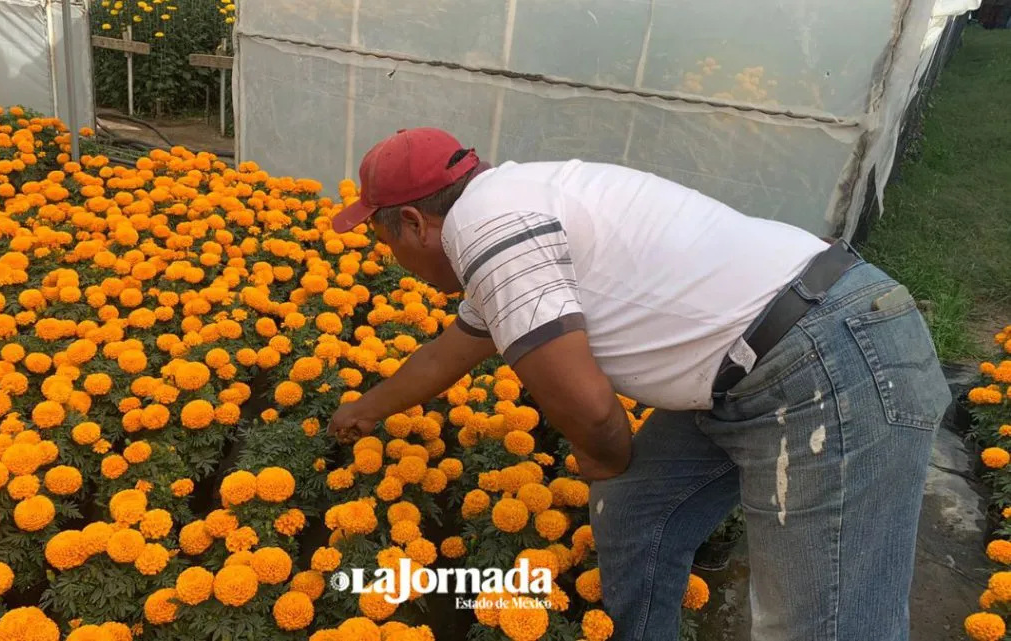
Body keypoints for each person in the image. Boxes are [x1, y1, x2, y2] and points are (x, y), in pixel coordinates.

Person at [326, 127, 952, 641]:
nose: (389, 257)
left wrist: (602, 456)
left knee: (820, 625)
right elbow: (446, 355)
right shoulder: (510, 203)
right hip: (760, 358)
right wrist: (364, 409)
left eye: (383, 240)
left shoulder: (491, 231)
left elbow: (594, 415)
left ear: (412, 222)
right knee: (636, 510)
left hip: (825, 360)